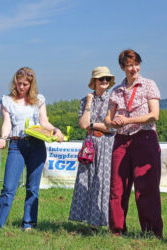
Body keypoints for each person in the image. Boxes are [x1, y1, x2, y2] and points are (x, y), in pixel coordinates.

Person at [0, 67, 64, 231]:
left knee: (32, 189)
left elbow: (43, 122)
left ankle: (29, 224)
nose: (21, 87)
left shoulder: (39, 100)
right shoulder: (7, 101)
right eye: (19, 84)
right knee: (9, 188)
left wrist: (55, 130)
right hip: (17, 145)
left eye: (25, 84)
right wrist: (3, 138)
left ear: (31, 85)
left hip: (37, 145)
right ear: (14, 83)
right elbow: (7, 123)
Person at [105, 49, 163, 238]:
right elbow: (108, 119)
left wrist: (128, 121)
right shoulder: (116, 91)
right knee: (117, 187)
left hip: (144, 138)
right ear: (122, 67)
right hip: (121, 140)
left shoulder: (148, 85)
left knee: (146, 187)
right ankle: (117, 230)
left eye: (136, 64)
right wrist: (113, 122)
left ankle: (151, 232)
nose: (134, 68)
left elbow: (154, 115)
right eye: (129, 65)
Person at [69, 66, 116, 228]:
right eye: (101, 79)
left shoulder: (113, 99)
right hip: (89, 144)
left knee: (102, 182)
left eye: (107, 79)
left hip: (107, 144)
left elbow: (112, 128)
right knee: (85, 181)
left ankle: (101, 222)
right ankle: (88, 221)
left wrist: (93, 124)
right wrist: (89, 102)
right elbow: (82, 124)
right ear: (94, 82)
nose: (104, 81)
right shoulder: (85, 100)